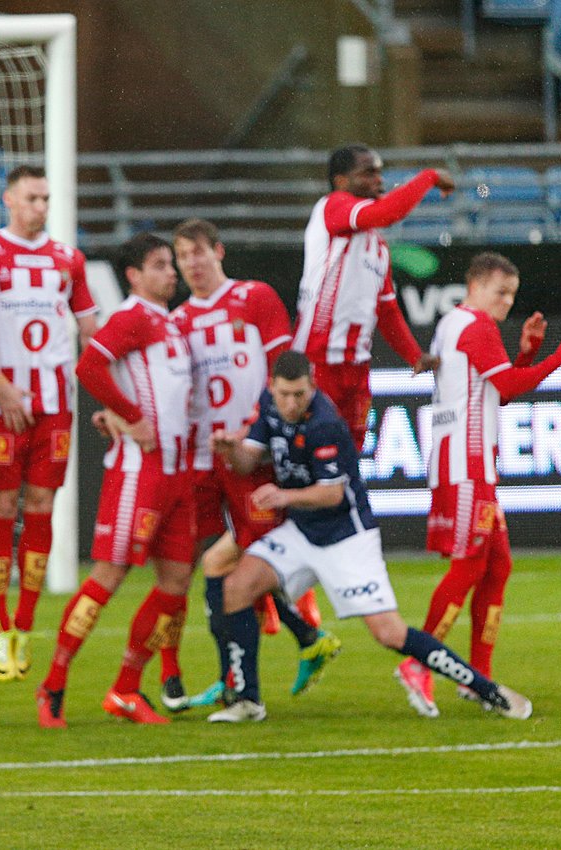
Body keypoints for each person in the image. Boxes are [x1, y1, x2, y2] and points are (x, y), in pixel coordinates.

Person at [204, 351, 532, 723]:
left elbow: (331, 494)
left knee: (389, 633)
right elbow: (248, 460)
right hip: (303, 532)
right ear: (272, 388)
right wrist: (232, 450)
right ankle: (248, 702)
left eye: (299, 394)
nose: (291, 403)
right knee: (237, 587)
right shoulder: (269, 406)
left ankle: (488, 689)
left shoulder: (325, 423)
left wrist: (284, 496)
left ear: (312, 385)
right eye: (284, 394)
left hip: (347, 537)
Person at [163, 218, 336, 714]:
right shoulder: (177, 323)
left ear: (219, 251)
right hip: (202, 459)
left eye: (199, 252)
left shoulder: (254, 298)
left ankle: (245, 678)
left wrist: (255, 429)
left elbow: (285, 372)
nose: (192, 263)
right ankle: (284, 648)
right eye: (182, 256)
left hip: (252, 458)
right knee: (209, 568)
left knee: (239, 566)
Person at [410, 252, 561, 716]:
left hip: (460, 459)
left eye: (512, 294)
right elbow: (513, 387)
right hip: (469, 464)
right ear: (475, 286)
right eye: (500, 292)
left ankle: (477, 677)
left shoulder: (451, 323)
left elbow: (494, 391)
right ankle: (418, 662)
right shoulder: (477, 327)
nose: (507, 303)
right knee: (470, 564)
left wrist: (527, 351)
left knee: (497, 565)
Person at [35, 232, 195, 728]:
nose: (171, 271)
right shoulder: (130, 318)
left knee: (175, 584)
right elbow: (90, 366)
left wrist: (119, 411)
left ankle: (127, 688)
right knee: (109, 577)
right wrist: (128, 414)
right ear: (134, 275)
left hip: (177, 473)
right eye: (159, 264)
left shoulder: (169, 323)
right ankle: (53, 685)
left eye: (171, 263)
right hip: (138, 472)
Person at [0, 165, 100, 681]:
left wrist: (107, 384)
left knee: (42, 504)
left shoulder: (68, 260)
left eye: (47, 198)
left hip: (54, 406)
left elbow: (90, 329)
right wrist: (1, 388)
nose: (41, 207)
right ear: (9, 199)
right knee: (2, 505)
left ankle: (24, 624)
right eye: (32, 198)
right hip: (0, 404)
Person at [291, 144, 454, 449]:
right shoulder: (333, 206)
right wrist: (429, 176)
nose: (378, 180)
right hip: (318, 361)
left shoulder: (377, 247)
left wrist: (414, 355)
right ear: (341, 181)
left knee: (352, 452)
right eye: (368, 173)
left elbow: (387, 310)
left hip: (357, 369)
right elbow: (390, 212)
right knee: (314, 452)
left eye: (380, 172)